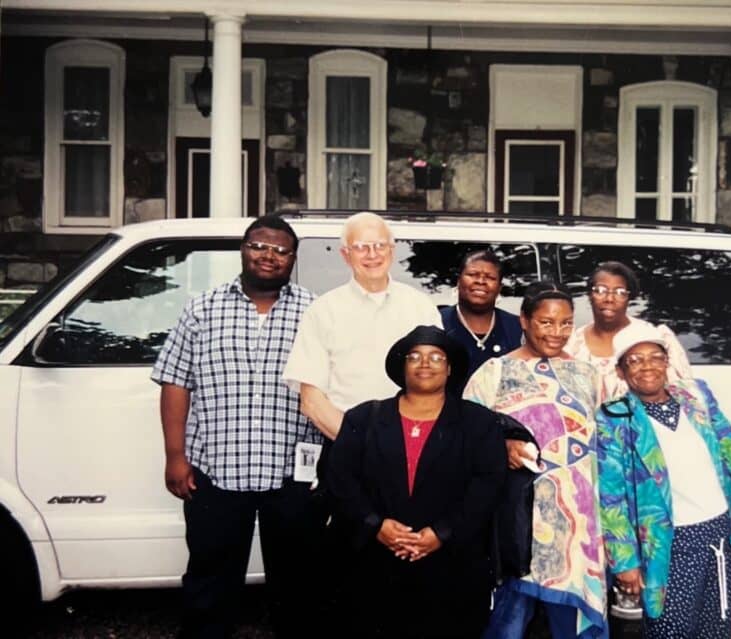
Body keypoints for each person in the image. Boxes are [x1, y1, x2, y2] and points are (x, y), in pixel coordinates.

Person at [151, 215, 323, 638]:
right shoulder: (202, 307)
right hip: (217, 471)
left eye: (281, 251)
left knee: (297, 584)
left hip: (294, 476)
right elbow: (176, 381)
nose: (269, 256)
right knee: (210, 580)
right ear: (243, 250)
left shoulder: (316, 311)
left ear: (293, 259)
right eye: (260, 246)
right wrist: (176, 456)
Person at [326, 325, 507, 639]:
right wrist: (375, 525)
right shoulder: (363, 418)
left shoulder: (479, 422)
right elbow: (340, 479)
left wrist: (442, 533)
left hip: (451, 566)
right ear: (402, 365)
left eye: (437, 357)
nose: (426, 364)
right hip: (374, 564)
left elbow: (487, 485)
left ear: (450, 368)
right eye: (415, 356)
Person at [596, 322, 731, 639]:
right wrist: (624, 562)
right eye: (634, 360)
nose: (647, 366)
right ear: (620, 372)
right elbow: (611, 498)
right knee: (669, 629)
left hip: (718, 536)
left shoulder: (697, 396)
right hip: (667, 544)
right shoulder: (614, 417)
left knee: (717, 627)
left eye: (655, 357)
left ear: (667, 361)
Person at [464, 281, 607, 639]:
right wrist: (502, 448)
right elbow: (466, 438)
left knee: (572, 625)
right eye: (546, 322)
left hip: (577, 524)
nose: (556, 333)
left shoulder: (589, 375)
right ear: (524, 321)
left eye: (565, 323)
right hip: (518, 522)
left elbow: (606, 446)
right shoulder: (494, 373)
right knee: (507, 623)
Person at [283, 211, 441, 440]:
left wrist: (408, 444)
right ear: (345, 255)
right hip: (345, 446)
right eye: (361, 247)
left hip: (412, 445)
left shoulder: (421, 307)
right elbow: (312, 401)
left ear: (391, 251)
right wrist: (358, 444)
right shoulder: (322, 311)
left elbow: (437, 385)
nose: (372, 254)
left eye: (380, 245)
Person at [566, 261, 691, 403]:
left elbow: (684, 393)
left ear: (629, 298)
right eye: (600, 290)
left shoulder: (654, 337)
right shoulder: (573, 344)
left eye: (620, 292)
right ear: (590, 294)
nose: (609, 299)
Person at [441, 249, 523, 381]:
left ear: (499, 288)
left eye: (490, 277)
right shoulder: (437, 322)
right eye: (473, 274)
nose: (481, 281)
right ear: (458, 281)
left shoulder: (517, 328)